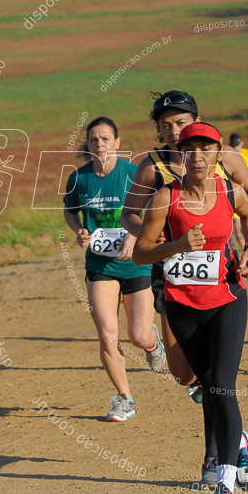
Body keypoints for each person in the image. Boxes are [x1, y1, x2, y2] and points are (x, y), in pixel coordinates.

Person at [120, 90, 248, 488]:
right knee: (187, 373)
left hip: (219, 274)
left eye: (180, 122)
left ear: (196, 122)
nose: (172, 130)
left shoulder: (221, 159)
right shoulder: (152, 169)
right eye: (165, 125)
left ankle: (217, 456)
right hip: (169, 271)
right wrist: (157, 232)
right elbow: (128, 213)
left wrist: (230, 214)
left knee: (218, 380)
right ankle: (232, 439)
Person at [64, 117, 163, 422]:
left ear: (118, 143)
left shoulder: (133, 174)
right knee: (107, 335)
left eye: (106, 139)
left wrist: (134, 237)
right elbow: (70, 211)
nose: (100, 145)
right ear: (88, 145)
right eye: (94, 140)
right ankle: (125, 399)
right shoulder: (79, 179)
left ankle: (152, 342)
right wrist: (80, 230)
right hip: (100, 265)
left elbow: (151, 212)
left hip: (135, 265)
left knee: (137, 335)